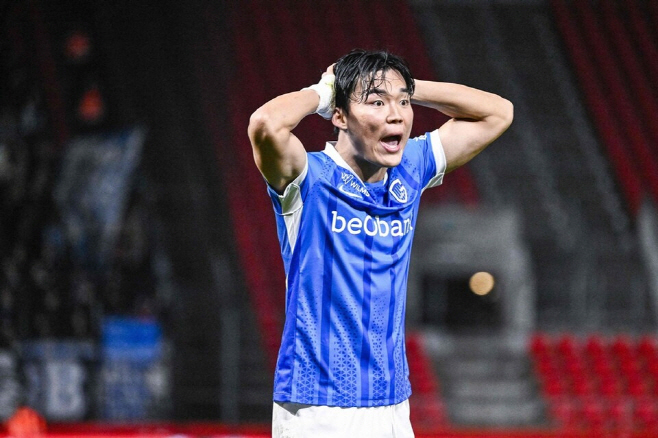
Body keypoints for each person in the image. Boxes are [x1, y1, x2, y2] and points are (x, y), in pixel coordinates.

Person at [247, 49, 513, 438]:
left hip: (391, 404)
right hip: (318, 406)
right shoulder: (308, 178)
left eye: (402, 104)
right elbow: (265, 124)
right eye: (376, 103)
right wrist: (325, 91)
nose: (396, 115)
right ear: (340, 116)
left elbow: (498, 113)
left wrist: (406, 88)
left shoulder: (409, 169)